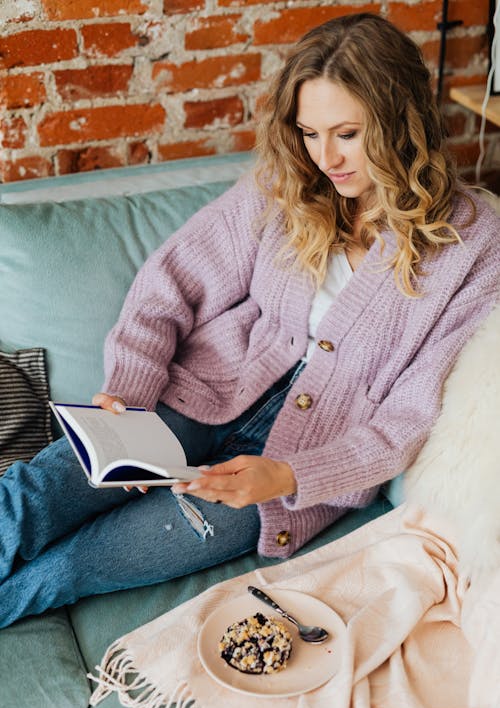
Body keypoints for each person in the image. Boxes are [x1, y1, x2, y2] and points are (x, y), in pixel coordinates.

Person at [1, 12, 499, 628]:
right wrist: (129, 397)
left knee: (70, 569)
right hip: (188, 399)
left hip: (285, 469)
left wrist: (288, 476)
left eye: (347, 133)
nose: (326, 158)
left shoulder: (473, 245)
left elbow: (406, 421)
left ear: (402, 122)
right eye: (309, 133)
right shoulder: (282, 186)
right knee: (25, 501)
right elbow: (171, 282)